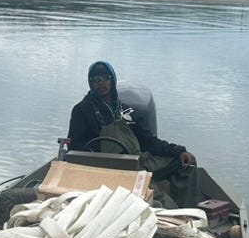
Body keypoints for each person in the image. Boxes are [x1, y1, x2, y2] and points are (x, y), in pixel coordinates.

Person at [67, 60, 199, 207]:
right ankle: (165, 207)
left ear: (112, 80)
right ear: (90, 83)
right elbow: (75, 149)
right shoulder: (82, 110)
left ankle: (188, 210)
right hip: (105, 169)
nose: (101, 83)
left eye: (105, 77)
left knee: (187, 163)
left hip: (138, 161)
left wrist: (179, 151)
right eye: (95, 80)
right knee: (159, 201)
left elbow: (149, 141)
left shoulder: (126, 110)